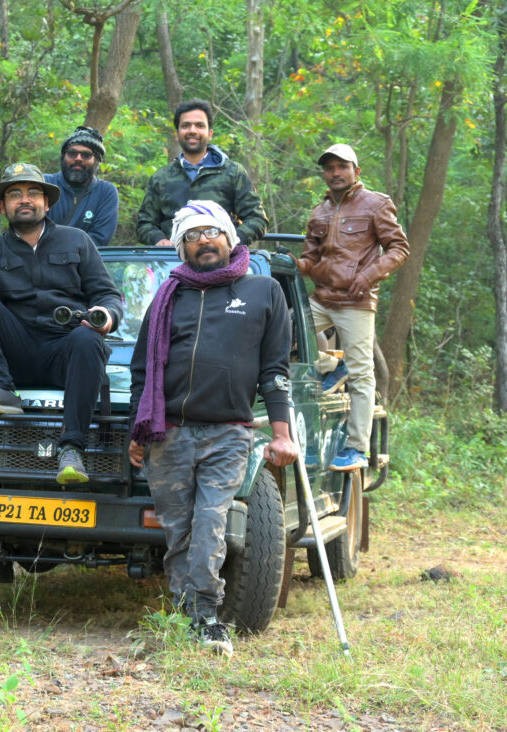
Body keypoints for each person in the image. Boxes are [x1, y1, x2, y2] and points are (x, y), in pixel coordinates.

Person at [127, 200, 297, 656]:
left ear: (229, 237)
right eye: (193, 235)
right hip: (169, 434)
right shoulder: (167, 298)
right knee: (178, 531)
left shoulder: (263, 292)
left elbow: (275, 371)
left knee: (209, 523)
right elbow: (144, 372)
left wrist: (282, 433)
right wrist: (137, 433)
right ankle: (191, 615)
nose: (204, 241)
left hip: (228, 432)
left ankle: (206, 614)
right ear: (182, 246)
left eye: (211, 232)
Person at [0, 163, 123, 485]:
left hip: (67, 350)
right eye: (15, 194)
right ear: (3, 206)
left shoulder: (78, 241)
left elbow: (107, 294)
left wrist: (106, 317)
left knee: (88, 340)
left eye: (33, 192)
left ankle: (72, 449)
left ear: (48, 203)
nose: (25, 199)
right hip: (14, 354)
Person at [297, 143, 409, 471]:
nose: (335, 173)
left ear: (355, 171)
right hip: (321, 299)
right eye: (329, 168)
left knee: (362, 374)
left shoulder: (376, 204)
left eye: (341, 167)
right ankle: (334, 365)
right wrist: (294, 264)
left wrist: (371, 274)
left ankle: (356, 448)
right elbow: (310, 257)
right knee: (280, 334)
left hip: (356, 302)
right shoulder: (318, 212)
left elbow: (399, 248)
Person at [136, 99, 268, 248]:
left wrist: (232, 241)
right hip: (172, 262)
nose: (192, 130)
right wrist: (158, 239)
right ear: (177, 133)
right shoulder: (161, 178)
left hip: (222, 263)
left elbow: (257, 219)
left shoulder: (232, 173)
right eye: (185, 125)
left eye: (199, 125)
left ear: (210, 133)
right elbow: (145, 223)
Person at [44, 125, 119, 248]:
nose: (78, 158)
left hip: (84, 264)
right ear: (63, 157)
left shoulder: (106, 192)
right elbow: (33, 231)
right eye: (72, 153)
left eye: (86, 155)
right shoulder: (44, 183)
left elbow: (100, 239)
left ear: (97, 161)